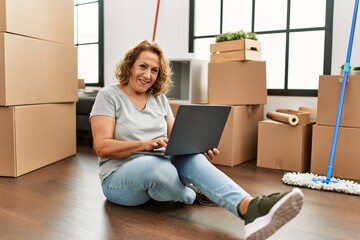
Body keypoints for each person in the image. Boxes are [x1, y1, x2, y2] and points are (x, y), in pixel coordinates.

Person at [89, 40, 304, 240]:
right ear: (129, 66)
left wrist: (197, 148)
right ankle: (192, 194)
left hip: (161, 168)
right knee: (156, 168)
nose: (148, 75)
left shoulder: (159, 99)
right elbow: (102, 147)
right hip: (119, 180)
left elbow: (177, 139)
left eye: (154, 70)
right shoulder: (109, 96)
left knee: (192, 159)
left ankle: (250, 209)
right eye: (143, 66)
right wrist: (143, 145)